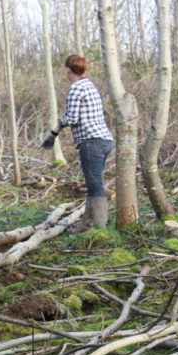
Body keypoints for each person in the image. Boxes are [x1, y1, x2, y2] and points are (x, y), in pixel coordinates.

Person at [42, 54, 113, 231]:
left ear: (67, 69)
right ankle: (87, 225)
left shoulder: (75, 88)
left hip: (91, 142)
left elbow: (72, 117)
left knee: (95, 185)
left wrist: (58, 125)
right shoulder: (89, 85)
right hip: (104, 140)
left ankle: (99, 230)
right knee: (93, 183)